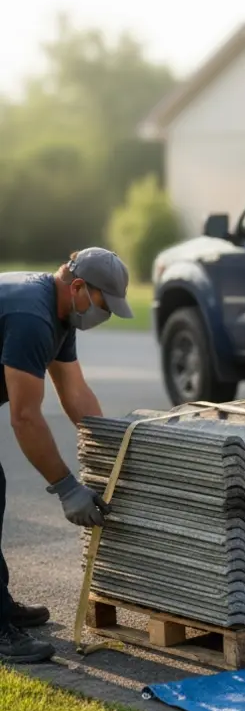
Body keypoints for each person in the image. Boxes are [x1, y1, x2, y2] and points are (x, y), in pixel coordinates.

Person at [0, 247, 134, 663]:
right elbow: (24, 417)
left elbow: (75, 394)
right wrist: (65, 487)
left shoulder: (61, 313)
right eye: (103, 305)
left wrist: (116, 452)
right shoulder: (32, 318)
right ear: (78, 287)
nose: (105, 315)